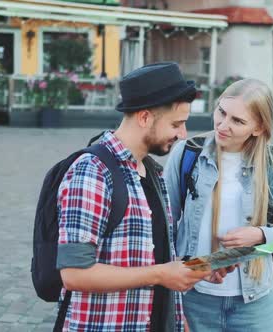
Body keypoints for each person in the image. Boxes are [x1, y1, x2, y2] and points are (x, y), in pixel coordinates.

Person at [56, 62, 216, 332]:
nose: (183, 135)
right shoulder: (92, 172)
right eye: (176, 124)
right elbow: (74, 274)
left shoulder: (152, 171)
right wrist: (161, 274)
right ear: (144, 118)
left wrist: (198, 268)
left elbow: (154, 258)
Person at [163, 78, 273, 331]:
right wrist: (181, 285)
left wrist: (260, 235)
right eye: (221, 112)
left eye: (237, 121)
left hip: (254, 305)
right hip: (194, 300)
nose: (223, 125)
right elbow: (164, 230)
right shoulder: (187, 154)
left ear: (259, 128)